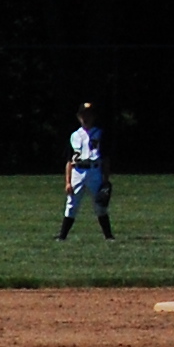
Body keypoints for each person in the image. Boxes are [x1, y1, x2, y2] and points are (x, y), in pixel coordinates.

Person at [62, 100, 113, 241]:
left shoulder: (100, 134)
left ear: (94, 116)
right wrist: (68, 182)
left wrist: (105, 179)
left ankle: (108, 236)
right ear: (78, 116)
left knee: (100, 205)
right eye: (83, 114)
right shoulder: (74, 135)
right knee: (71, 204)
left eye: (89, 114)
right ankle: (62, 236)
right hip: (77, 171)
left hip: (94, 170)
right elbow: (69, 161)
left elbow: (105, 158)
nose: (86, 117)